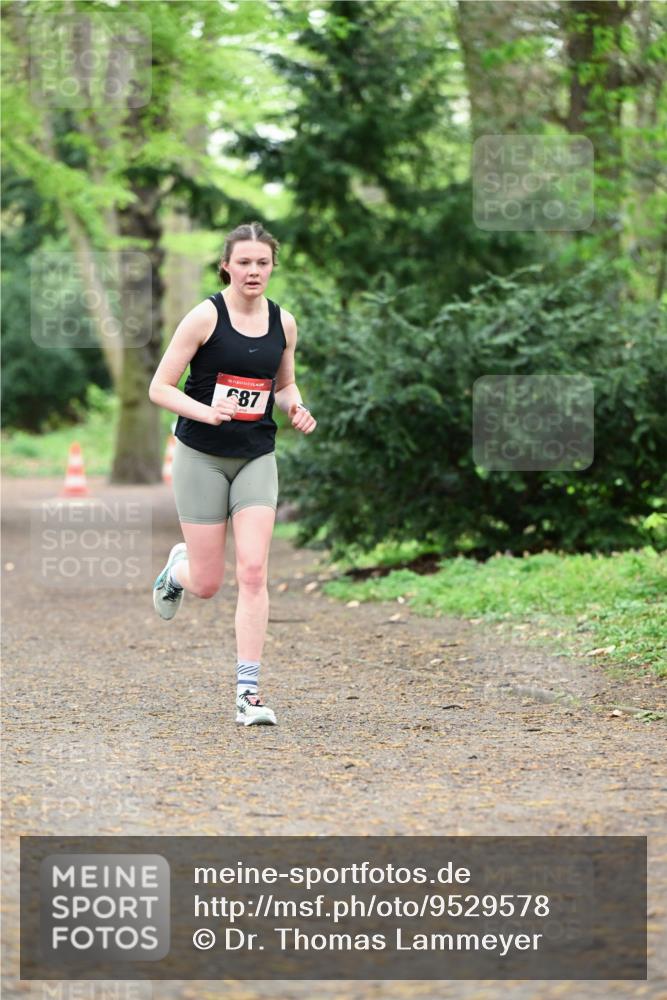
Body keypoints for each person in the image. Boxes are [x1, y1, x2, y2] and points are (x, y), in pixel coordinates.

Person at [148, 221, 316, 727]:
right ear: (227, 264)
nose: (253, 271)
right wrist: (205, 413)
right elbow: (161, 387)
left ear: (272, 267)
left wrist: (296, 407)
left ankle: (248, 694)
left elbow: (283, 386)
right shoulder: (203, 317)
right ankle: (175, 572)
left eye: (262, 263)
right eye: (243, 262)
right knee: (206, 584)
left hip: (255, 457)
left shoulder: (283, 324)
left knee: (253, 571)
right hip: (200, 454)